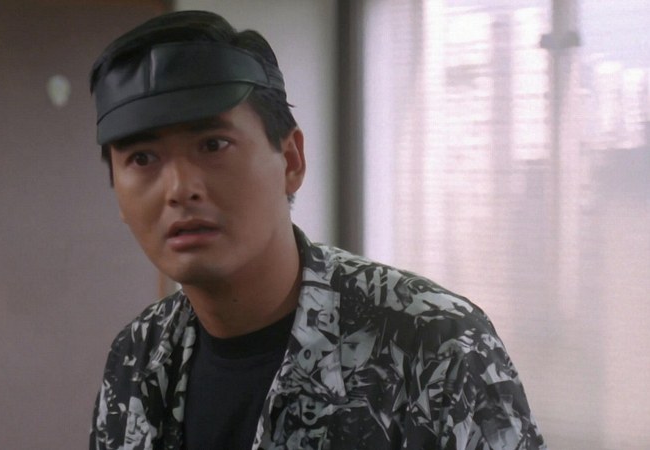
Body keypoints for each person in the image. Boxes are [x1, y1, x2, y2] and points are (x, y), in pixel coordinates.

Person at [87, 10, 547, 450]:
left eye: (213, 145)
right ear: (117, 195)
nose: (180, 189)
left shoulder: (432, 342)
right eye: (142, 159)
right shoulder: (138, 355)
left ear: (291, 161)